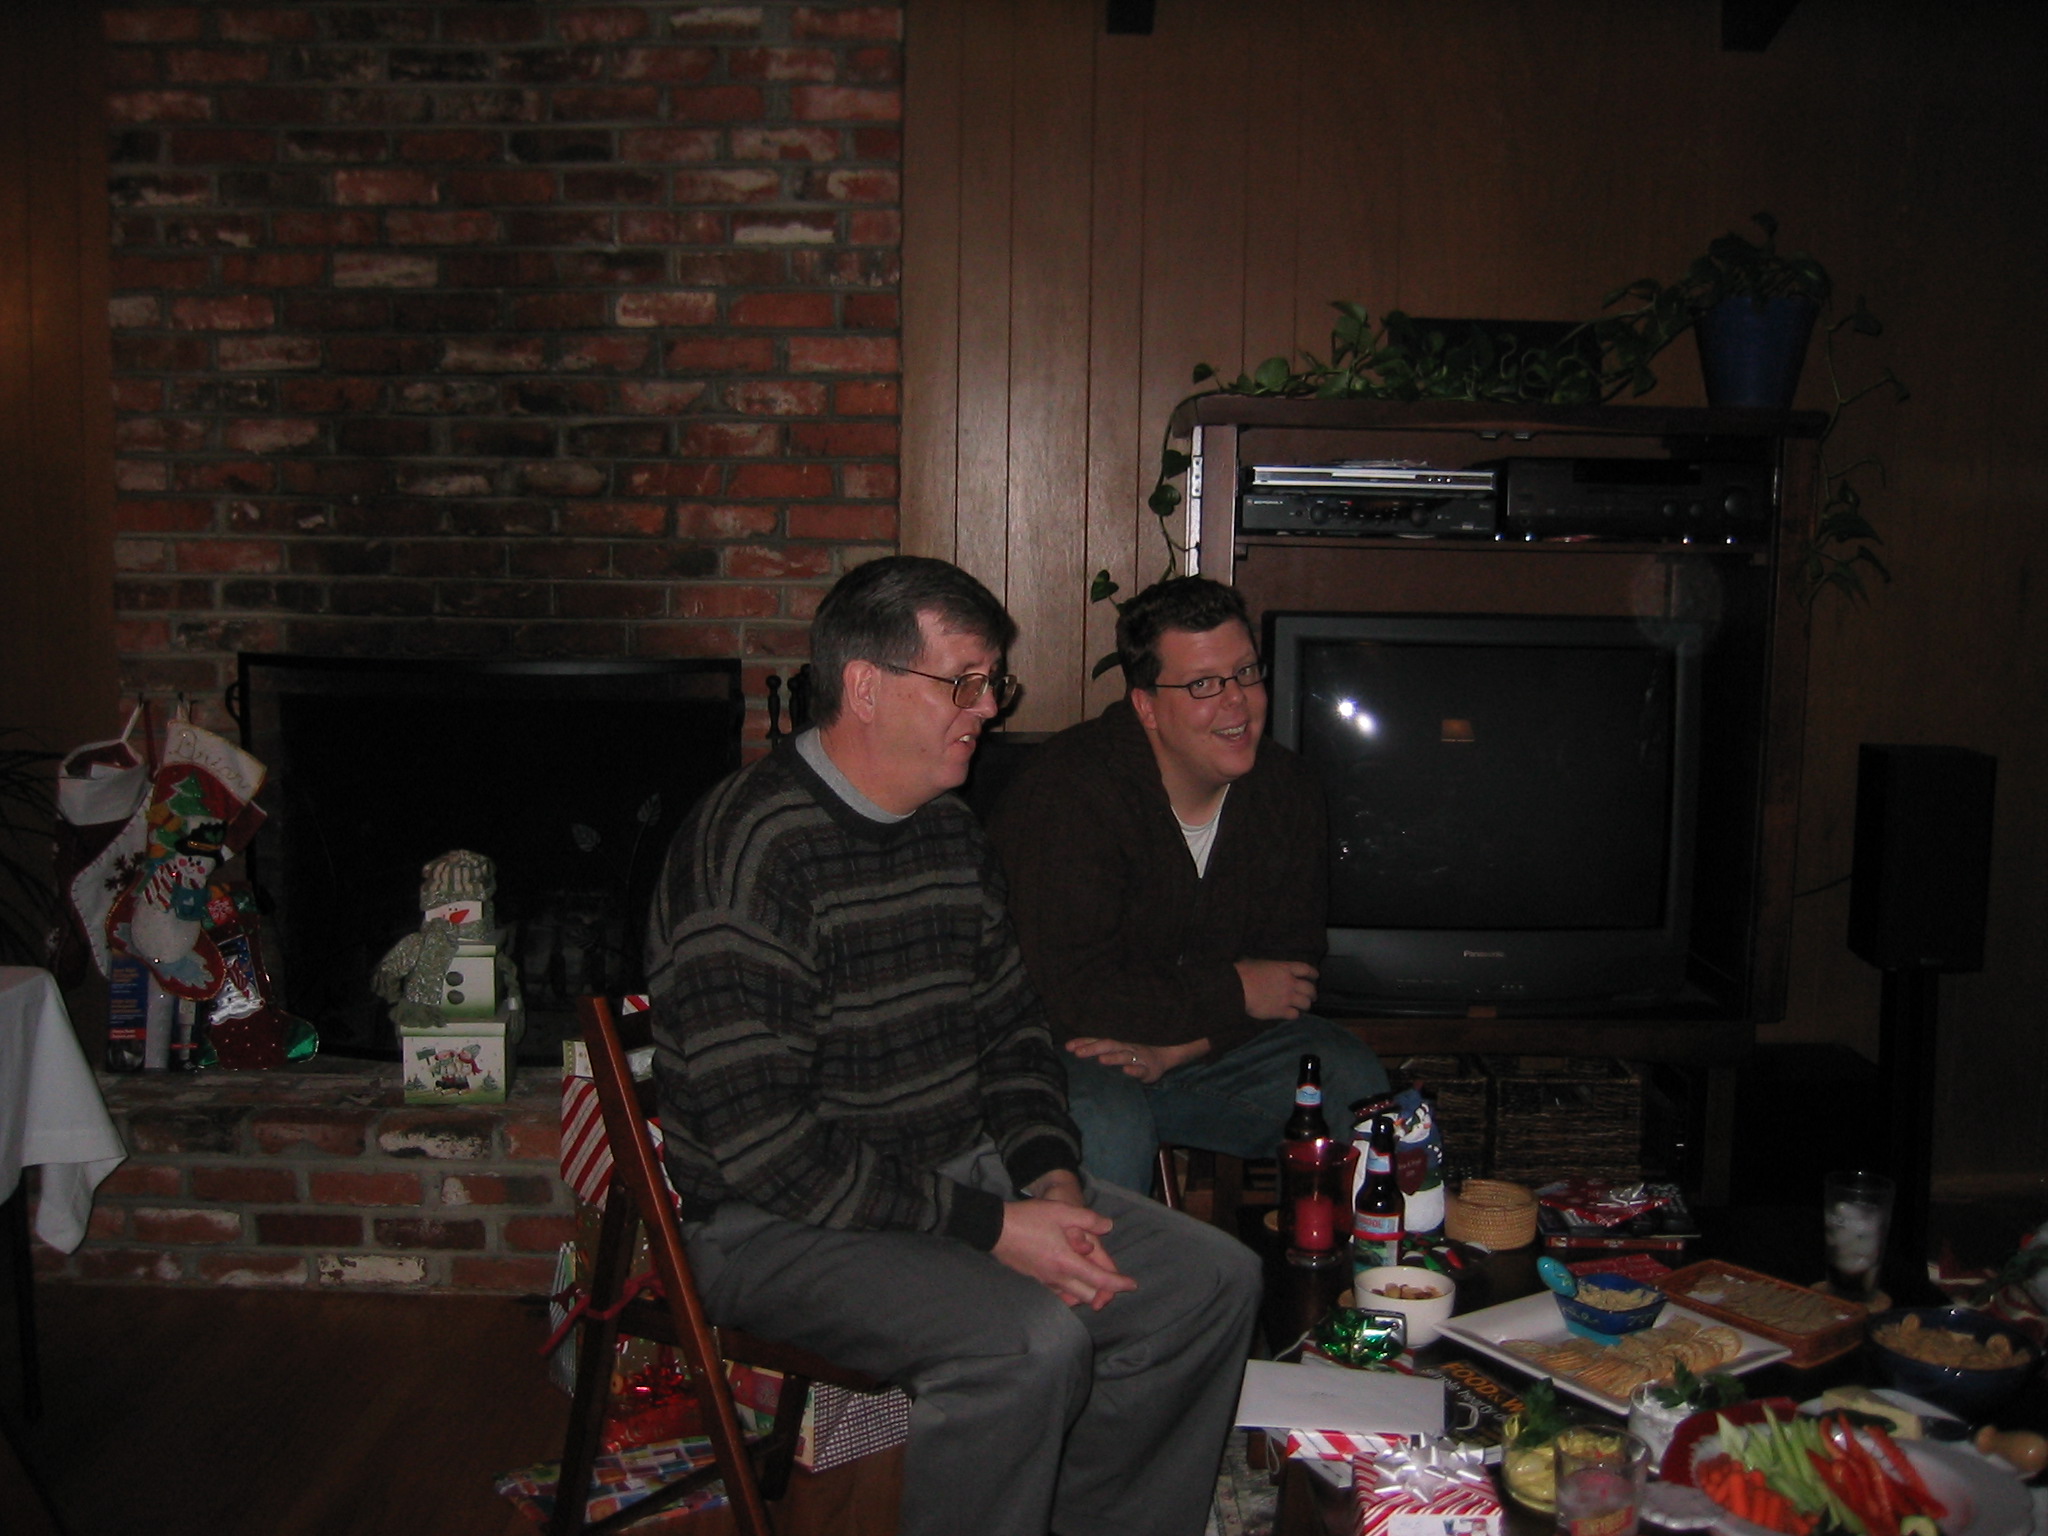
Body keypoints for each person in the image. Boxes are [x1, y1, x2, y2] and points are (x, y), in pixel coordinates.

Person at [644, 556, 1262, 1536]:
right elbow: (766, 1150)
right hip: (774, 1226)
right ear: (864, 686)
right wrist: (995, 1228)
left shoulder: (947, 834)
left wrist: (1051, 1178)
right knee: (1027, 1342)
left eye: (991, 684)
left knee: (1208, 1282)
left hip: (953, 1179)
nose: (987, 710)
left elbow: (1013, 1032)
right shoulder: (748, 855)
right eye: (963, 682)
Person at [989, 575, 1389, 1194]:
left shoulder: (1286, 790)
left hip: (1206, 1049)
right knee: (1109, 1125)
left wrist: (1178, 1050)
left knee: (1351, 1078)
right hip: (1064, 1051)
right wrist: (1235, 989)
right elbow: (1071, 996)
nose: (1237, 703)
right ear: (1146, 705)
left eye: (1246, 673)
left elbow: (1290, 977)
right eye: (1203, 684)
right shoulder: (1067, 793)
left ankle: (1365, 1254)